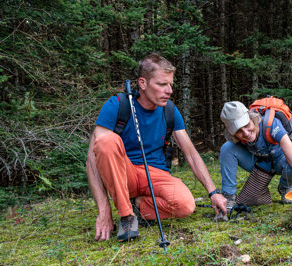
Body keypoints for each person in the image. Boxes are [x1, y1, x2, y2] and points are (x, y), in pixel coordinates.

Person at [86, 53, 227, 242]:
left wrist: (213, 192)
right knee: (105, 141)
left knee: (185, 205)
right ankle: (126, 215)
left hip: (155, 173)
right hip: (124, 173)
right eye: (162, 84)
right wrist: (103, 211)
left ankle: (138, 205)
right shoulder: (117, 105)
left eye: (170, 85)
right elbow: (92, 160)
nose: (169, 90)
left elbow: (191, 154)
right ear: (143, 84)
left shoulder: (169, 110)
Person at [219, 101, 292, 212]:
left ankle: (285, 188)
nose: (245, 133)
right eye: (238, 131)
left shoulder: (271, 125)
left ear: (251, 118)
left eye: (246, 125)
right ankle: (228, 198)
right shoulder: (236, 137)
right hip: (259, 163)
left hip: (280, 161)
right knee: (227, 148)